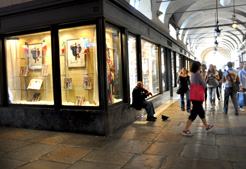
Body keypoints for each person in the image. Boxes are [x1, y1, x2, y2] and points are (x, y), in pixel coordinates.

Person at [182, 61, 213, 136]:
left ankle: (207, 126)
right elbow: (204, 84)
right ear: (197, 67)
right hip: (198, 97)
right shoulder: (198, 75)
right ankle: (185, 130)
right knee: (193, 114)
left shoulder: (192, 74)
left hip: (194, 96)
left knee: (201, 112)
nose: (200, 67)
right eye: (200, 66)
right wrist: (205, 80)